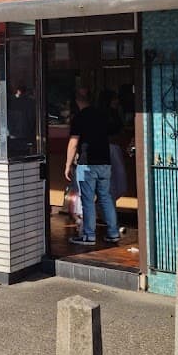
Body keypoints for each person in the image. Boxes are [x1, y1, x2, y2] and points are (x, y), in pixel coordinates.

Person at [64, 88, 119, 246]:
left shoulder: (79, 117)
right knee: (106, 197)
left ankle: (89, 235)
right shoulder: (102, 115)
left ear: (77, 100)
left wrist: (68, 165)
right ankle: (113, 233)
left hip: (87, 163)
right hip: (105, 162)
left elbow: (73, 143)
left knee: (87, 200)